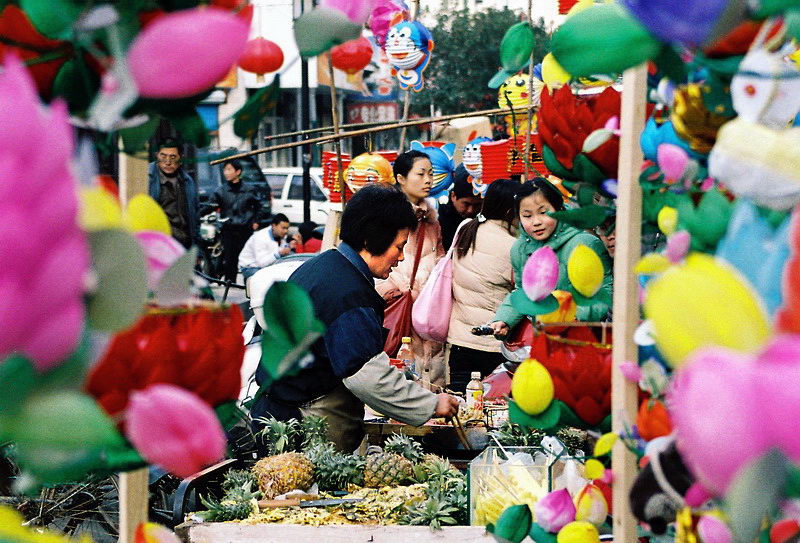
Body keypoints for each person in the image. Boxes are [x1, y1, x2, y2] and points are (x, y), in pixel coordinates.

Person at [250, 184, 460, 452]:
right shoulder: (347, 293)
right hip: (302, 425)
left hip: (274, 409)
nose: (399, 257)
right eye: (398, 246)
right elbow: (365, 375)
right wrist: (431, 404)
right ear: (372, 239)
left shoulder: (322, 265)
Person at [491, 178, 613, 337]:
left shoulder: (585, 244)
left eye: (543, 212)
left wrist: (576, 315)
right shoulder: (519, 249)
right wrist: (504, 320)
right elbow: (524, 292)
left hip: (582, 337)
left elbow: (605, 291)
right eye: (527, 216)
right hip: (543, 337)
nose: (536, 222)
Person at [375, 150, 447, 390]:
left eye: (431, 174)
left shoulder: (432, 221)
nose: (428, 180)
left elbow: (439, 260)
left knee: (432, 373)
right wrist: (394, 289)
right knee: (401, 374)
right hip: (401, 304)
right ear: (401, 178)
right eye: (421, 174)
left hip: (429, 312)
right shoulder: (386, 217)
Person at [447, 179, 520, 392]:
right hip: (494, 344)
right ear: (509, 209)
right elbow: (523, 292)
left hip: (461, 340)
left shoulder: (466, 229)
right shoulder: (513, 246)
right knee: (494, 412)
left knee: (462, 405)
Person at [209, 159, 261, 282]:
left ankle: (248, 283)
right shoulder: (220, 191)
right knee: (230, 259)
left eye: (229, 169)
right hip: (228, 230)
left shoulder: (249, 189)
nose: (226, 173)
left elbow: (259, 206)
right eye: (225, 170)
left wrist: (256, 222)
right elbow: (210, 205)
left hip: (245, 229)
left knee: (247, 259)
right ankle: (230, 284)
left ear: (238, 172)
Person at [148, 139, 199, 248]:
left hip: (183, 244)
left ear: (180, 158)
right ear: (157, 155)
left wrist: (196, 249)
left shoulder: (187, 181)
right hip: (159, 243)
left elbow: (194, 217)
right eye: (163, 156)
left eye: (172, 157)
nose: (167, 162)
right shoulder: (148, 178)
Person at [238, 213, 297, 280]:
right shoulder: (261, 237)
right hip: (250, 268)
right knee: (273, 280)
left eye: (287, 228)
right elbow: (262, 263)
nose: (286, 231)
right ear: (274, 226)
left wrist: (289, 247)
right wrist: (279, 254)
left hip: (266, 266)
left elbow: (281, 250)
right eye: (283, 228)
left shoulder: (281, 235)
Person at [438, 165, 483, 250]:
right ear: (453, 196)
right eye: (466, 204)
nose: (471, 210)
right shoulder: (438, 216)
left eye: (477, 205)